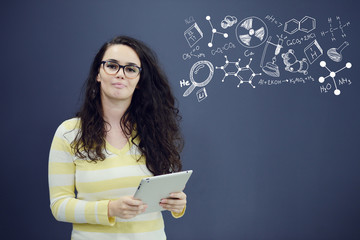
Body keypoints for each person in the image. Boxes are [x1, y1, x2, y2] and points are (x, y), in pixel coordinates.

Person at [48, 36, 187, 240]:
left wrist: (177, 204)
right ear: (98, 73)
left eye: (131, 69)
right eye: (112, 66)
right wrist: (110, 209)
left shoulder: (154, 131)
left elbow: (162, 194)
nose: (121, 74)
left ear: (139, 81)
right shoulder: (68, 133)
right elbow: (59, 206)